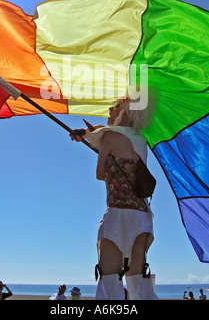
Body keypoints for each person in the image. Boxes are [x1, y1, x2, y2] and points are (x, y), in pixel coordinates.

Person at [70, 94, 156, 300]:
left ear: (128, 112)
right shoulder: (140, 138)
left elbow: (100, 175)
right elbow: (107, 132)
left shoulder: (109, 137)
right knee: (137, 280)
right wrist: (88, 134)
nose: (110, 110)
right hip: (142, 215)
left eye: (116, 106)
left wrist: (100, 149)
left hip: (118, 213)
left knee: (110, 280)